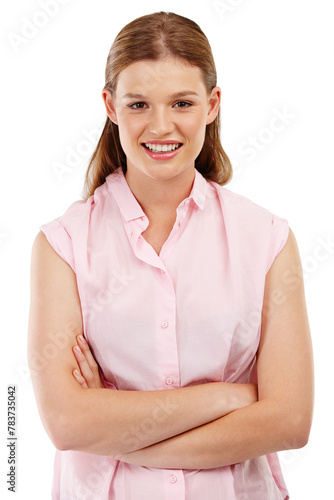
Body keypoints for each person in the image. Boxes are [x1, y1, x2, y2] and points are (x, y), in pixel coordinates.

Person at [27, 11, 314, 500]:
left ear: (212, 104)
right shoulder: (62, 244)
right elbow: (67, 421)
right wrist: (230, 398)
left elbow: (289, 421)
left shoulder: (266, 238)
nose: (161, 126)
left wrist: (119, 434)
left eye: (182, 102)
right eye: (138, 103)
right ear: (111, 106)